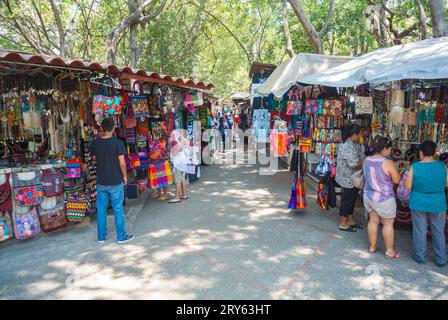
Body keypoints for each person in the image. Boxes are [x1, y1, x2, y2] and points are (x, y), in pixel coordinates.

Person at [90, 118, 134, 244]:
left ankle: (101, 237)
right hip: (115, 180)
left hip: (101, 181)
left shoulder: (95, 143)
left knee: (101, 210)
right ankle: (121, 237)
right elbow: (122, 163)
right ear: (114, 128)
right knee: (118, 209)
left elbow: (93, 158)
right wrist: (125, 176)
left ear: (102, 129)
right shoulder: (117, 143)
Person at [405, 141, 448, 267]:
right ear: (435, 153)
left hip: (418, 203)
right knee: (439, 231)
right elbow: (446, 184)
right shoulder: (443, 166)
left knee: (419, 230)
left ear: (421, 152)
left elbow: (407, 186)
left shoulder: (415, 166)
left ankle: (420, 257)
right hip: (438, 203)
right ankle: (440, 259)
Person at [363, 136, 401, 258]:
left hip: (369, 196)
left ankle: (372, 246)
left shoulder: (366, 160)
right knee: (388, 223)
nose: (390, 151)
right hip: (384, 198)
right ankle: (389, 251)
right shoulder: (387, 162)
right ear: (384, 149)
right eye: (389, 148)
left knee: (373, 221)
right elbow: (396, 180)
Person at [335, 124, 364, 232]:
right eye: (359, 134)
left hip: (353, 177)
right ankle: (343, 223)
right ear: (354, 134)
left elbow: (360, 156)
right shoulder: (347, 146)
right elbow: (353, 164)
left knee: (351, 199)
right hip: (347, 178)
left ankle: (350, 220)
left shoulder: (354, 144)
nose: (360, 136)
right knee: (347, 200)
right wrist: (364, 162)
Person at [169, 131, 190, 203]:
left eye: (172, 135)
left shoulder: (177, 143)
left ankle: (177, 198)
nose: (171, 137)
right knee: (183, 179)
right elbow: (187, 143)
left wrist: (171, 156)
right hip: (183, 161)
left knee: (178, 181)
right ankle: (184, 195)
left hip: (178, 163)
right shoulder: (182, 141)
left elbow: (173, 154)